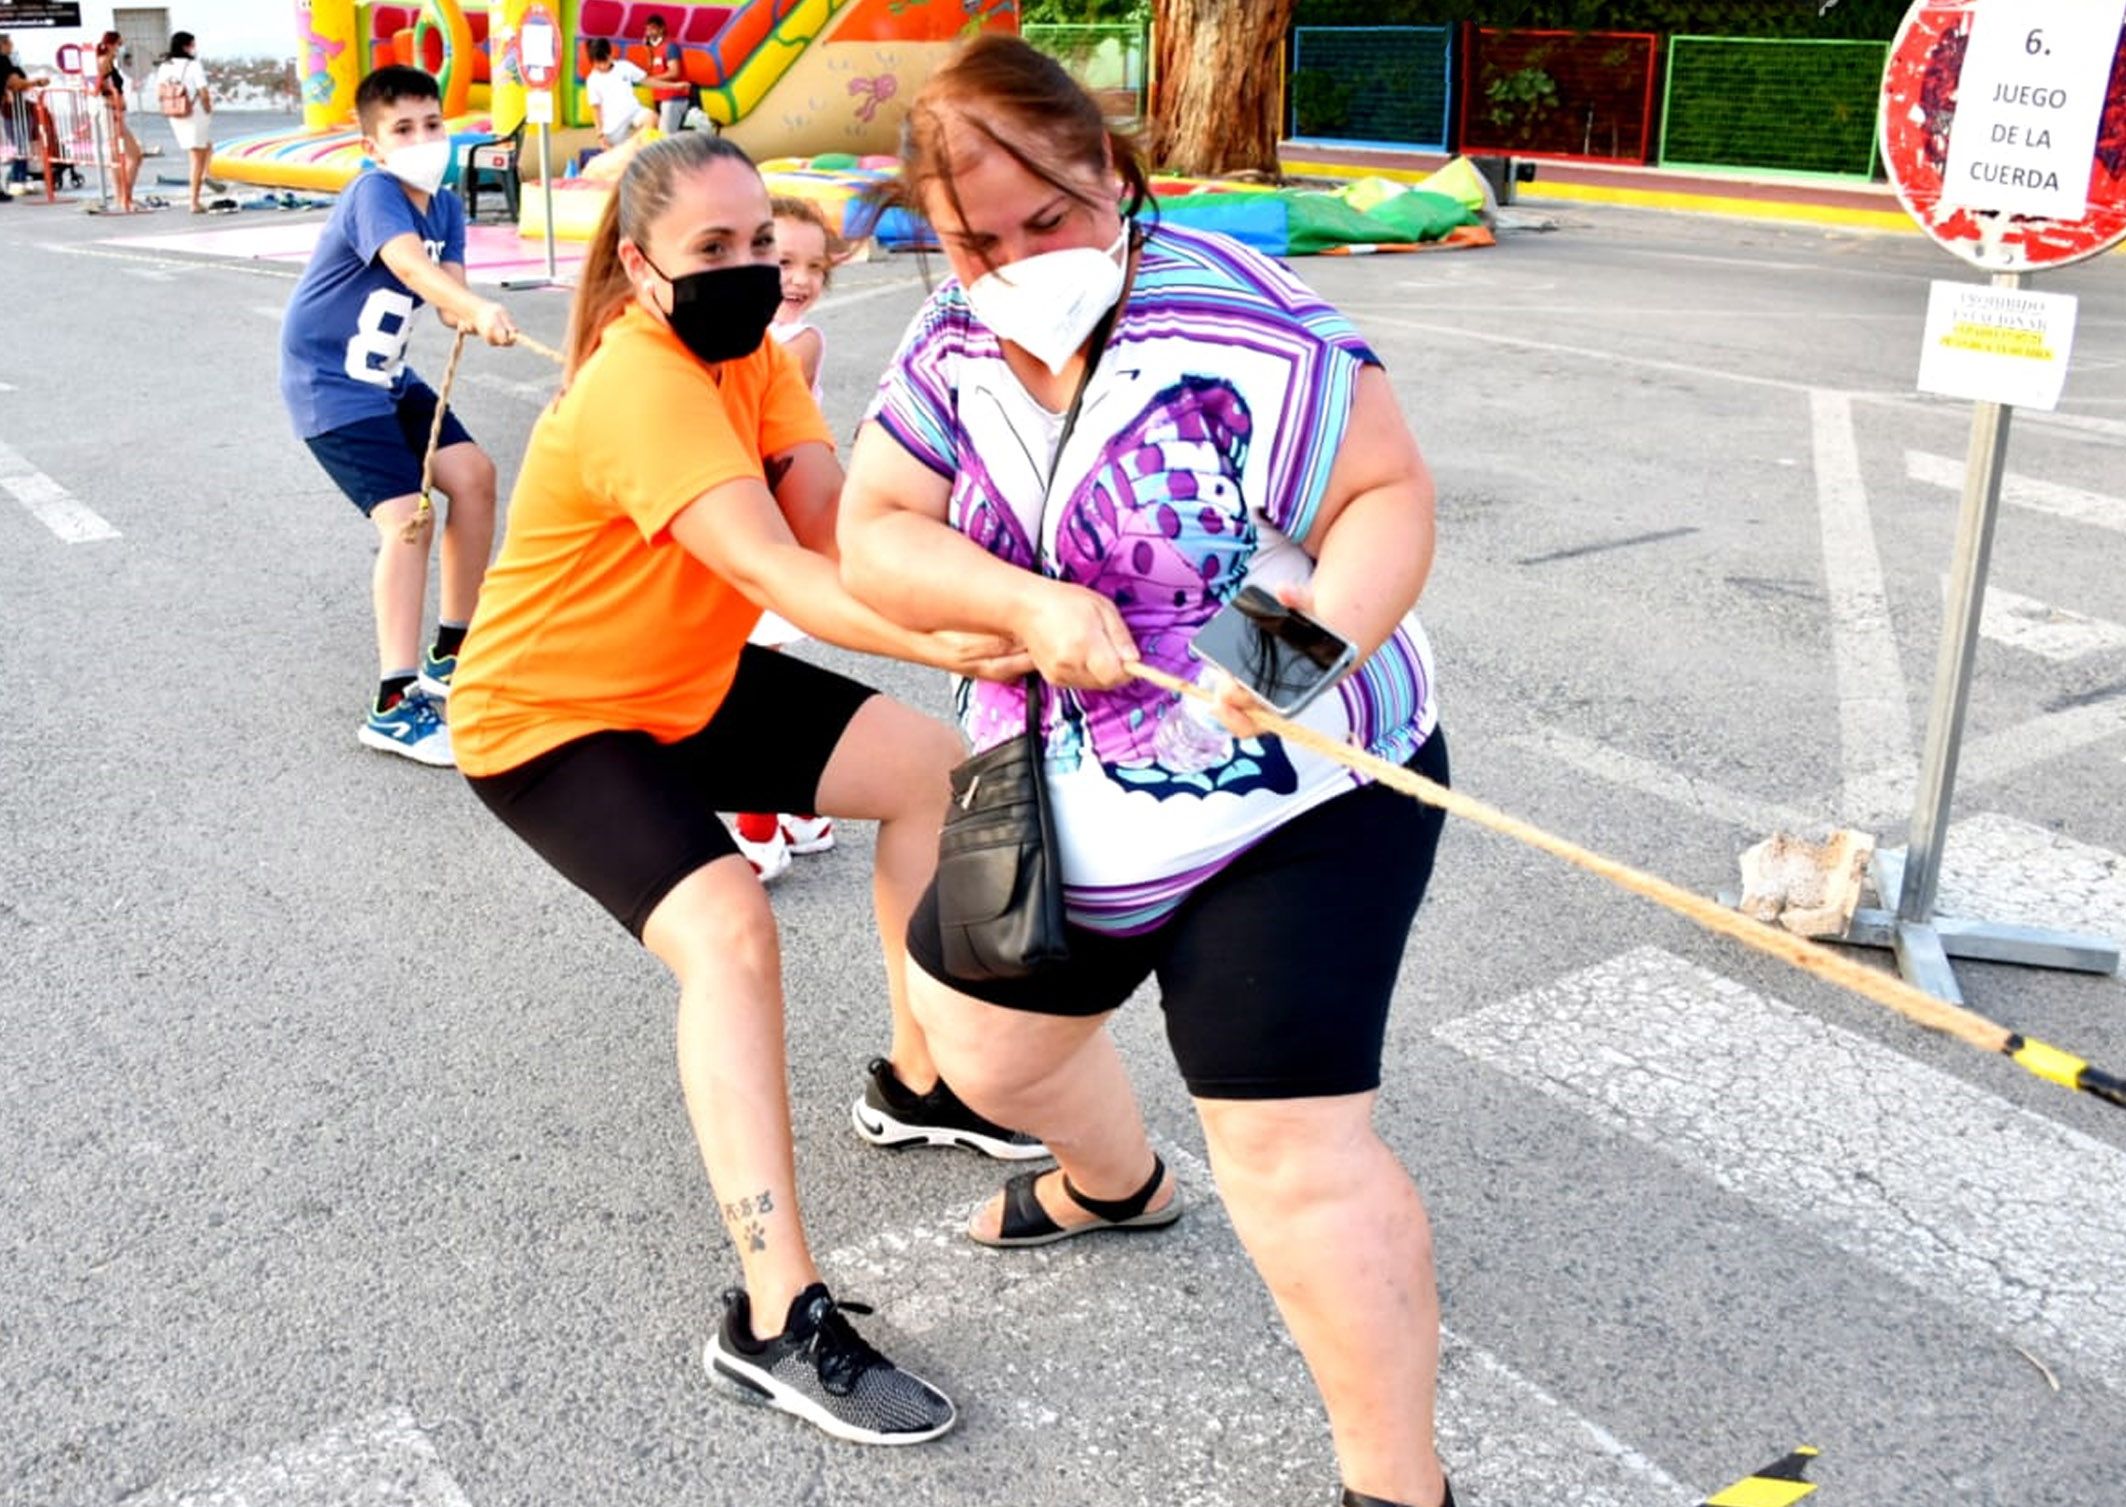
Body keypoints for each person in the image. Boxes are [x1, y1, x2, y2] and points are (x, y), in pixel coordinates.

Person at [838, 36, 1454, 1507]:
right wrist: (1024, 606)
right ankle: (1115, 1182)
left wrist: (1297, 648)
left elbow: (1384, 493)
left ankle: (1398, 1486)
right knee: (980, 1050)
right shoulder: (950, 342)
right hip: (1056, 786)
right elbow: (874, 527)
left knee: (1291, 1151)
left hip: (1298, 778)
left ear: (1111, 173)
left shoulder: (1246, 321)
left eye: (1044, 220)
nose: (1011, 260)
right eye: (972, 239)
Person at [447, 130, 1048, 1447]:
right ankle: (776, 1312)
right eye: (709, 250)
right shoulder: (640, 385)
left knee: (929, 770)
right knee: (730, 929)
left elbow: (841, 525)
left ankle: (916, 1080)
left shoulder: (759, 361)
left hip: (686, 680)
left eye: (757, 242)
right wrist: (981, 639)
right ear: (644, 268)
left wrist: (1011, 585)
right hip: (549, 716)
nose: (745, 267)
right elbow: (783, 575)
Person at [277, 65, 517, 766]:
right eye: (403, 129)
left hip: (385, 377)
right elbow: (411, 268)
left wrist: (474, 313)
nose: (423, 139)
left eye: (433, 123)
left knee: (472, 474)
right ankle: (391, 701)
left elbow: (448, 299)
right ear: (372, 144)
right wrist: (469, 308)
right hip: (329, 382)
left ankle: (452, 650)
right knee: (408, 519)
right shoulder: (375, 193)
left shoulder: (444, 203)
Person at [723, 194, 851, 877]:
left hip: (770, 532)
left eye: (813, 266)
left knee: (748, 686)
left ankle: (757, 830)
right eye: (782, 261)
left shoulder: (795, 342)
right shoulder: (745, 332)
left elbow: (751, 421)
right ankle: (803, 812)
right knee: (765, 678)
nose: (798, 279)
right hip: (759, 528)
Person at [154, 31, 213, 214]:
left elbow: (159, 93)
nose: (194, 48)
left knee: (203, 148)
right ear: (185, 46)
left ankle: (204, 177)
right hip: (194, 112)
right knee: (197, 155)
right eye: (192, 44)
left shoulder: (165, 66)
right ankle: (194, 200)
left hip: (175, 112)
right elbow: (203, 91)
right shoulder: (193, 65)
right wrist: (208, 107)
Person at [94, 32, 145, 213]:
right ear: (111, 45)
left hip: (114, 111)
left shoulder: (108, 62)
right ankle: (124, 196)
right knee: (128, 156)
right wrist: (115, 102)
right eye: (119, 44)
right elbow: (103, 87)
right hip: (111, 112)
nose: (120, 48)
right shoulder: (104, 62)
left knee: (124, 156)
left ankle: (122, 196)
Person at [0, 34, 51, 198]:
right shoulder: (3, 62)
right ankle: (16, 180)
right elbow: (14, 84)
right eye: (10, 43)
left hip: (16, 109)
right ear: (3, 44)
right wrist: (36, 82)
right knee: (21, 147)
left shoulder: (10, 63)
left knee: (22, 147)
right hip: (13, 112)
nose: (12, 46)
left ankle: (18, 179)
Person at [582, 37, 650, 151]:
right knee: (616, 158)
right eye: (598, 63)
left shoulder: (624, 67)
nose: (603, 66)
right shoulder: (592, 80)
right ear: (592, 62)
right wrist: (600, 135)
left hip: (633, 112)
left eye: (605, 61)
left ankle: (631, 147)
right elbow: (596, 109)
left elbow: (646, 79)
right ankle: (627, 150)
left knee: (651, 118)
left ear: (610, 54)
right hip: (612, 128)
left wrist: (674, 86)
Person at [641, 14, 690, 136]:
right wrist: (648, 51)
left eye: (652, 28)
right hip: (659, 98)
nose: (649, 32)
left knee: (664, 137)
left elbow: (675, 72)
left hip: (673, 99)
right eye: (647, 29)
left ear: (661, 29)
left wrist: (652, 80)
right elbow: (651, 70)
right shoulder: (654, 49)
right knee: (659, 136)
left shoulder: (670, 46)